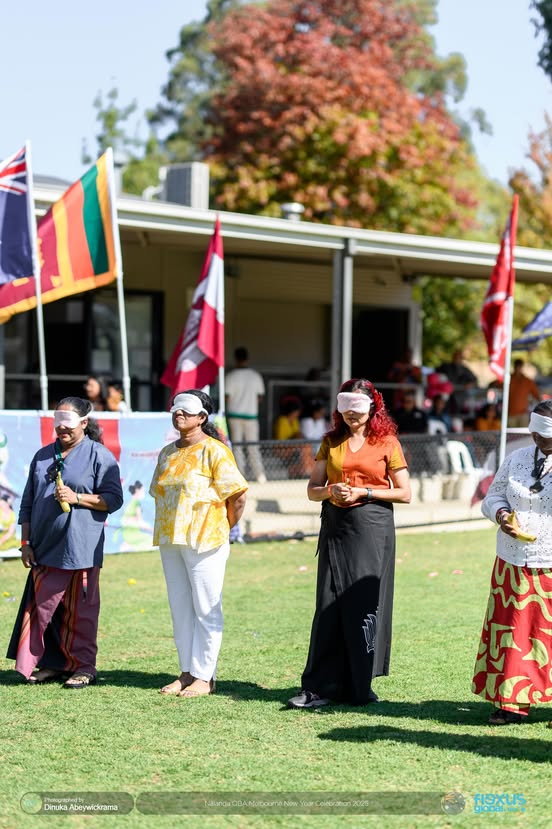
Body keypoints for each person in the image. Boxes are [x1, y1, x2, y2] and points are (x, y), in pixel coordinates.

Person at [288, 378, 411, 709]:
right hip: (336, 527)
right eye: (345, 409)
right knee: (327, 605)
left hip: (372, 527)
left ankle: (359, 686)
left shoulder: (387, 442)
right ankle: (318, 686)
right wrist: (330, 491)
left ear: (373, 407)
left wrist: (364, 492)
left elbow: (405, 492)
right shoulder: (331, 441)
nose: (350, 416)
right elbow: (313, 488)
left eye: (357, 409)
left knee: (363, 605)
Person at [6, 397, 123, 688]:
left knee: (80, 612)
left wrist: (78, 498)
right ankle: (51, 665)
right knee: (45, 610)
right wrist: (25, 542)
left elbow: (114, 500)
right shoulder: (43, 456)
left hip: (81, 549)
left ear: (84, 423)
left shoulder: (99, 456)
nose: (62, 430)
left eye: (68, 425)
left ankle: (83, 667)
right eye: (58, 425)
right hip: (44, 548)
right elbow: (28, 504)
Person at [149, 389, 247, 698]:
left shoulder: (215, 450)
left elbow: (238, 494)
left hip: (206, 539)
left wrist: (223, 526)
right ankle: (186, 672)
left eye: (186, 410)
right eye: (175, 408)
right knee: (180, 608)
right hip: (171, 540)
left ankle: (205, 677)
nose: (179, 413)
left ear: (202, 417)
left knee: (206, 607)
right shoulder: (167, 453)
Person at [472, 400, 552, 724]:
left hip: (549, 562)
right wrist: (502, 514)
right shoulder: (516, 458)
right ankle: (510, 703)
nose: (540, 442)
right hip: (512, 560)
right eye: (536, 435)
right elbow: (492, 497)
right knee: (513, 633)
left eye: (546, 438)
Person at [225, 347, 266, 483]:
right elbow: (260, 398)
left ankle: (240, 475)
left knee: (237, 446)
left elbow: (227, 397)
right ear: (247, 359)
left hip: (234, 415)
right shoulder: (255, 376)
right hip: (251, 415)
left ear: (235, 359)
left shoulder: (230, 376)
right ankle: (259, 475)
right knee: (253, 446)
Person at [436, 349, 478, 417]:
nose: (457, 359)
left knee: (456, 414)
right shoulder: (446, 367)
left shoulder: (465, 369)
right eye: (456, 357)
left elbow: (475, 380)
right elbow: (435, 374)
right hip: (446, 395)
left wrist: (470, 384)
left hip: (459, 396)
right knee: (443, 410)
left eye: (459, 357)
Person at [507, 359, 541, 427]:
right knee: (511, 434)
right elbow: (498, 385)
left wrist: (543, 406)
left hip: (523, 413)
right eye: (517, 366)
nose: (518, 369)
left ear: (521, 367)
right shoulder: (509, 379)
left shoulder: (527, 381)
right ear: (514, 367)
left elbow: (536, 395)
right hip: (511, 413)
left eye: (519, 367)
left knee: (523, 434)